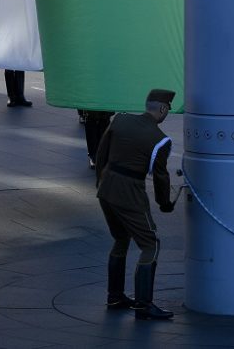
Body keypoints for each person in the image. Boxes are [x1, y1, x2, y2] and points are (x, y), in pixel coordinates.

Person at [94, 89, 177, 321]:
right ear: (163, 108)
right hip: (129, 192)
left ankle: (115, 296)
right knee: (150, 244)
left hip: (106, 188)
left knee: (121, 238)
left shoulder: (120, 120)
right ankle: (143, 304)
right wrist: (164, 203)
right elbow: (161, 178)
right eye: (168, 110)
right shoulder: (160, 140)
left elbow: (101, 153)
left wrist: (100, 182)